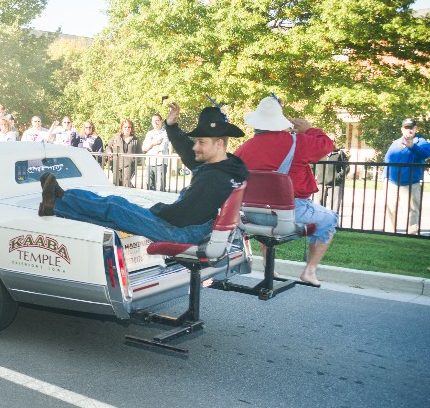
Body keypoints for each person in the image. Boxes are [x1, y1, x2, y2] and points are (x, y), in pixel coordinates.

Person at [39, 104, 248, 244]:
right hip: (196, 228)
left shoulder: (213, 177)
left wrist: (155, 209)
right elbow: (186, 148)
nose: (195, 147)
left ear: (219, 143)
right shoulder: (227, 165)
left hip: (182, 231)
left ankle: (63, 197)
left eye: (201, 142)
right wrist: (172, 125)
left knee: (115, 206)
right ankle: (56, 204)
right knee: (114, 219)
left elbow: (181, 214)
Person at [236, 96, 337, 286]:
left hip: (252, 214)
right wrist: (309, 129)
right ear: (279, 121)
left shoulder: (243, 149)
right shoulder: (297, 142)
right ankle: (309, 271)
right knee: (331, 218)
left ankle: (269, 266)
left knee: (266, 213)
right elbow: (326, 146)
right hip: (289, 213)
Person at [384, 117, 430, 235]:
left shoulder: (422, 142)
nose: (409, 130)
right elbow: (387, 160)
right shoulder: (395, 143)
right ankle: (389, 233)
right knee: (390, 209)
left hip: (411, 183)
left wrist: (412, 146)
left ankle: (412, 234)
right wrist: (385, 178)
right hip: (392, 182)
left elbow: (425, 154)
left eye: (411, 128)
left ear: (416, 129)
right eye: (406, 128)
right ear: (402, 129)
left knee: (412, 211)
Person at [107, 119, 141, 187]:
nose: (127, 129)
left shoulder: (135, 139)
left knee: (126, 182)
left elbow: (139, 152)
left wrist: (133, 160)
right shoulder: (116, 137)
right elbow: (108, 146)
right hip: (117, 164)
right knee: (117, 183)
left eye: (129, 127)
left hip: (129, 165)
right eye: (125, 127)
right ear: (122, 128)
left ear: (131, 128)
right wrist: (109, 151)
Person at [143, 113, 170, 191]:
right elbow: (144, 148)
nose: (155, 123)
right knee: (149, 187)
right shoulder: (149, 133)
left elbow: (162, 147)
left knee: (160, 187)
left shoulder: (166, 133)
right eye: (153, 121)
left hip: (160, 163)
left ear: (161, 121)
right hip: (149, 162)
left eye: (157, 120)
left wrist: (150, 146)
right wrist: (154, 143)